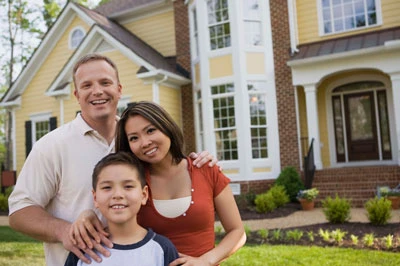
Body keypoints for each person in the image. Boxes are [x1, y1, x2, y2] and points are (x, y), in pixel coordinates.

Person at [7, 53, 218, 266]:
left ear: (119, 89)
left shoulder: (137, 141)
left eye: (105, 82)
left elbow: (168, 169)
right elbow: (19, 211)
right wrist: (64, 230)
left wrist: (197, 163)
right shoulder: (52, 146)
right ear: (76, 94)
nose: (97, 91)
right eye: (87, 85)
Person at [71, 101, 246, 266]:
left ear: (166, 127)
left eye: (150, 130)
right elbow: (112, 207)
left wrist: (205, 261)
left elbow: (237, 231)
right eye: (134, 138)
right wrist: (87, 214)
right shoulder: (133, 183)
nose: (145, 142)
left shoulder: (206, 169)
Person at [64, 151, 179, 266]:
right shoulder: (84, 250)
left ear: (144, 195)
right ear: (95, 198)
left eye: (128, 186)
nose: (118, 194)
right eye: (107, 187)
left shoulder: (162, 249)